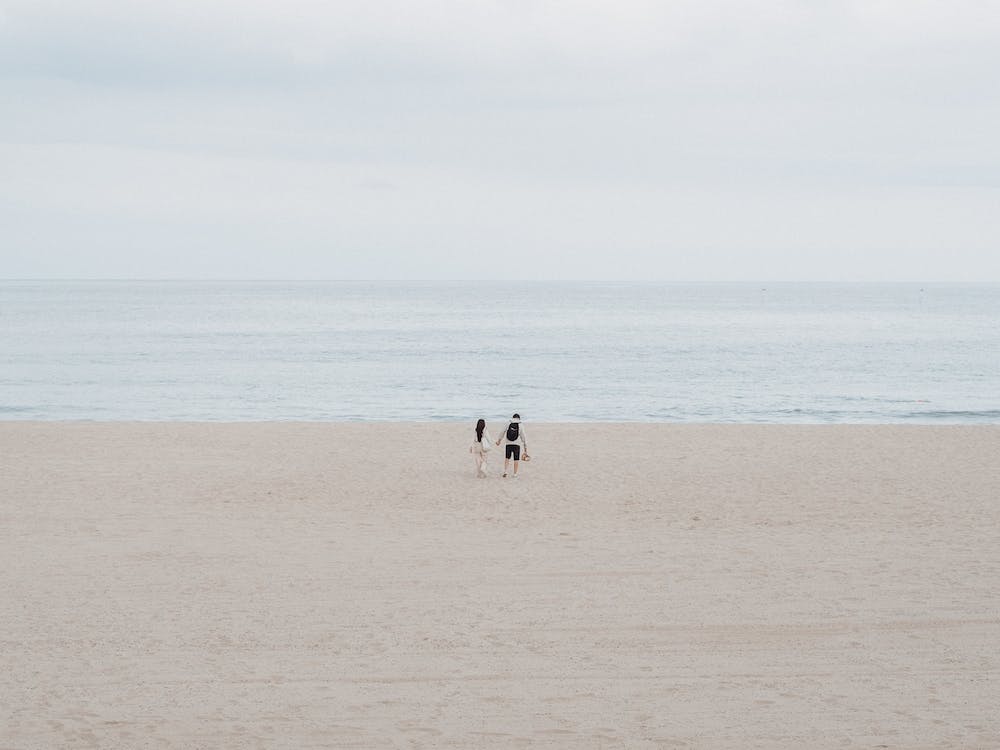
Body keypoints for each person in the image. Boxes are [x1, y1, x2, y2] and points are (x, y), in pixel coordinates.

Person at [496, 412, 528, 478]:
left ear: (513, 418)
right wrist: (525, 447)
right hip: (517, 444)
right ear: (519, 418)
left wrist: (499, 440)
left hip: (508, 443)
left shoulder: (508, 423)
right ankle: (515, 474)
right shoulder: (520, 425)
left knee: (507, 458)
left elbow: (502, 431)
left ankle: (505, 471)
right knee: (516, 459)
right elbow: (523, 436)